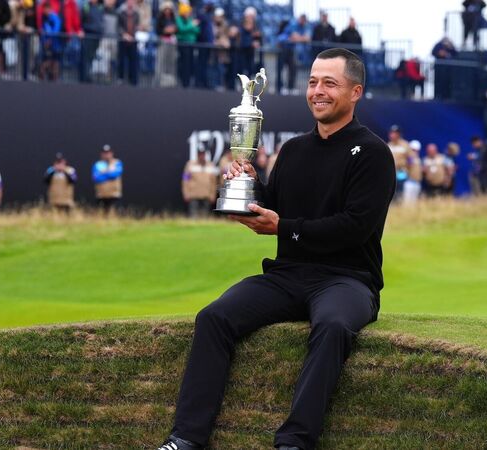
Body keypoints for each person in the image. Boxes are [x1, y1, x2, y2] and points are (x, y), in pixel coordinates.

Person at [156, 48, 395, 450]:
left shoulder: (373, 153)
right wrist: (248, 188)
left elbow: (354, 228)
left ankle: (294, 441)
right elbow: (278, 205)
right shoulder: (294, 150)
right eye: (313, 82)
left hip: (347, 280)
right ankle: (186, 438)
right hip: (287, 276)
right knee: (214, 317)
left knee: (333, 327)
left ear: (355, 92)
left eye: (330, 83)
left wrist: (282, 227)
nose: (317, 91)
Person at [182, 148, 219, 218]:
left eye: (203, 154)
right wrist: (186, 193)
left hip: (206, 195)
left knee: (205, 217)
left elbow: (214, 182)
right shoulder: (190, 165)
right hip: (193, 195)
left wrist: (213, 195)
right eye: (200, 154)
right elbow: (185, 180)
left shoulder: (211, 165)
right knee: (193, 216)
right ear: (197, 155)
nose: (202, 156)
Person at [92, 144, 123, 212]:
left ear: (112, 153)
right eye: (104, 153)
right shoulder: (97, 164)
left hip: (114, 195)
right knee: (100, 215)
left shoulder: (117, 163)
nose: (106, 155)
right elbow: (96, 178)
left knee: (115, 214)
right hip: (101, 195)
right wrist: (109, 171)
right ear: (101, 154)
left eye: (108, 153)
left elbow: (114, 175)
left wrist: (103, 172)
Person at [176, 2, 200, 88]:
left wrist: (189, 27)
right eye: (187, 11)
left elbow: (197, 30)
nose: (188, 13)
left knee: (190, 64)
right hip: (183, 44)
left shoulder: (190, 19)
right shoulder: (179, 19)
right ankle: (183, 82)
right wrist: (191, 26)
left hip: (191, 44)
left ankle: (188, 82)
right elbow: (182, 29)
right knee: (183, 64)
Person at [79, 0, 104, 83]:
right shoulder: (86, 7)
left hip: (97, 35)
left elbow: (101, 20)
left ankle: (88, 75)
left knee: (92, 56)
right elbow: (81, 20)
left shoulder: (100, 7)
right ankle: (84, 77)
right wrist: (81, 30)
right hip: (88, 34)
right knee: (86, 56)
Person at [117, 0, 140, 86]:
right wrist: (124, 35)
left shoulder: (136, 14)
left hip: (133, 40)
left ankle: (132, 80)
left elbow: (136, 26)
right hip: (123, 40)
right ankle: (120, 78)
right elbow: (118, 26)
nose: (131, 2)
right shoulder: (121, 13)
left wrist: (132, 36)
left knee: (133, 61)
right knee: (121, 60)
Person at [155, 0, 178, 87]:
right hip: (163, 42)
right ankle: (159, 79)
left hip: (172, 42)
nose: (168, 11)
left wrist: (173, 30)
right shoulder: (160, 18)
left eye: (169, 9)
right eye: (166, 9)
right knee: (161, 61)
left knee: (171, 62)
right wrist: (165, 30)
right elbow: (158, 30)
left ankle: (170, 81)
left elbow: (177, 29)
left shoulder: (173, 18)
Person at [387, 125, 409, 201]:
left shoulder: (405, 145)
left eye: (395, 133)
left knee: (400, 192)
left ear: (399, 134)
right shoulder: (388, 145)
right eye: (391, 133)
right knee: (391, 193)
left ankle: (400, 205)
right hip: (391, 173)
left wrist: (408, 168)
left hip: (401, 172)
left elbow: (411, 158)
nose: (392, 135)